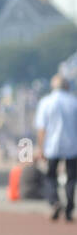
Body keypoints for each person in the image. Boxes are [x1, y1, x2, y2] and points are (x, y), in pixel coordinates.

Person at [34, 73, 77, 222]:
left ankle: (54, 201)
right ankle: (69, 209)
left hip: (52, 145)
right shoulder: (74, 102)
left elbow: (41, 128)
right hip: (72, 145)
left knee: (50, 177)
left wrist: (40, 148)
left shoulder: (46, 102)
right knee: (71, 179)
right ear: (66, 86)